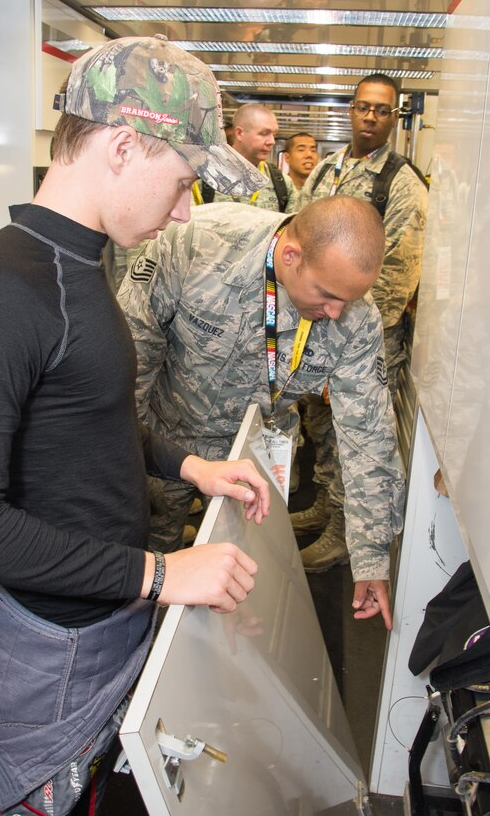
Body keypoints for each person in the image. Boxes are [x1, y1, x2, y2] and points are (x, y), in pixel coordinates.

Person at [0, 36, 271, 816]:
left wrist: (189, 468)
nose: (184, 210)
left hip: (100, 614)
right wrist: (160, 574)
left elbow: (91, 413)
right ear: (120, 147)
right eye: (181, 183)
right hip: (50, 648)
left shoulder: (79, 263)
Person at [117, 195, 405, 631]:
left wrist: (370, 557)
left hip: (256, 458)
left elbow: (368, 438)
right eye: (327, 295)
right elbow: (128, 363)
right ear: (290, 255)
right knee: (151, 570)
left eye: (350, 299)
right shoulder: (196, 243)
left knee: (239, 594)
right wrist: (118, 470)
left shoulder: (356, 318)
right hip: (164, 445)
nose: (337, 313)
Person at [291, 74, 428, 574]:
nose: (371, 117)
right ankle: (327, 506)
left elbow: (396, 275)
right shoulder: (327, 168)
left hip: (362, 341)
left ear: (395, 118)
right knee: (319, 423)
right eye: (363, 107)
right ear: (351, 110)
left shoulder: (399, 181)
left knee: (353, 434)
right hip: (311, 325)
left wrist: (345, 336)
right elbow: (298, 234)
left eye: (383, 110)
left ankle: (344, 534)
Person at [193, 103, 297, 212]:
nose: (272, 141)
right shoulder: (202, 177)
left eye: (274, 134)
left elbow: (292, 227)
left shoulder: (282, 183)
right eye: (264, 133)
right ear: (239, 133)